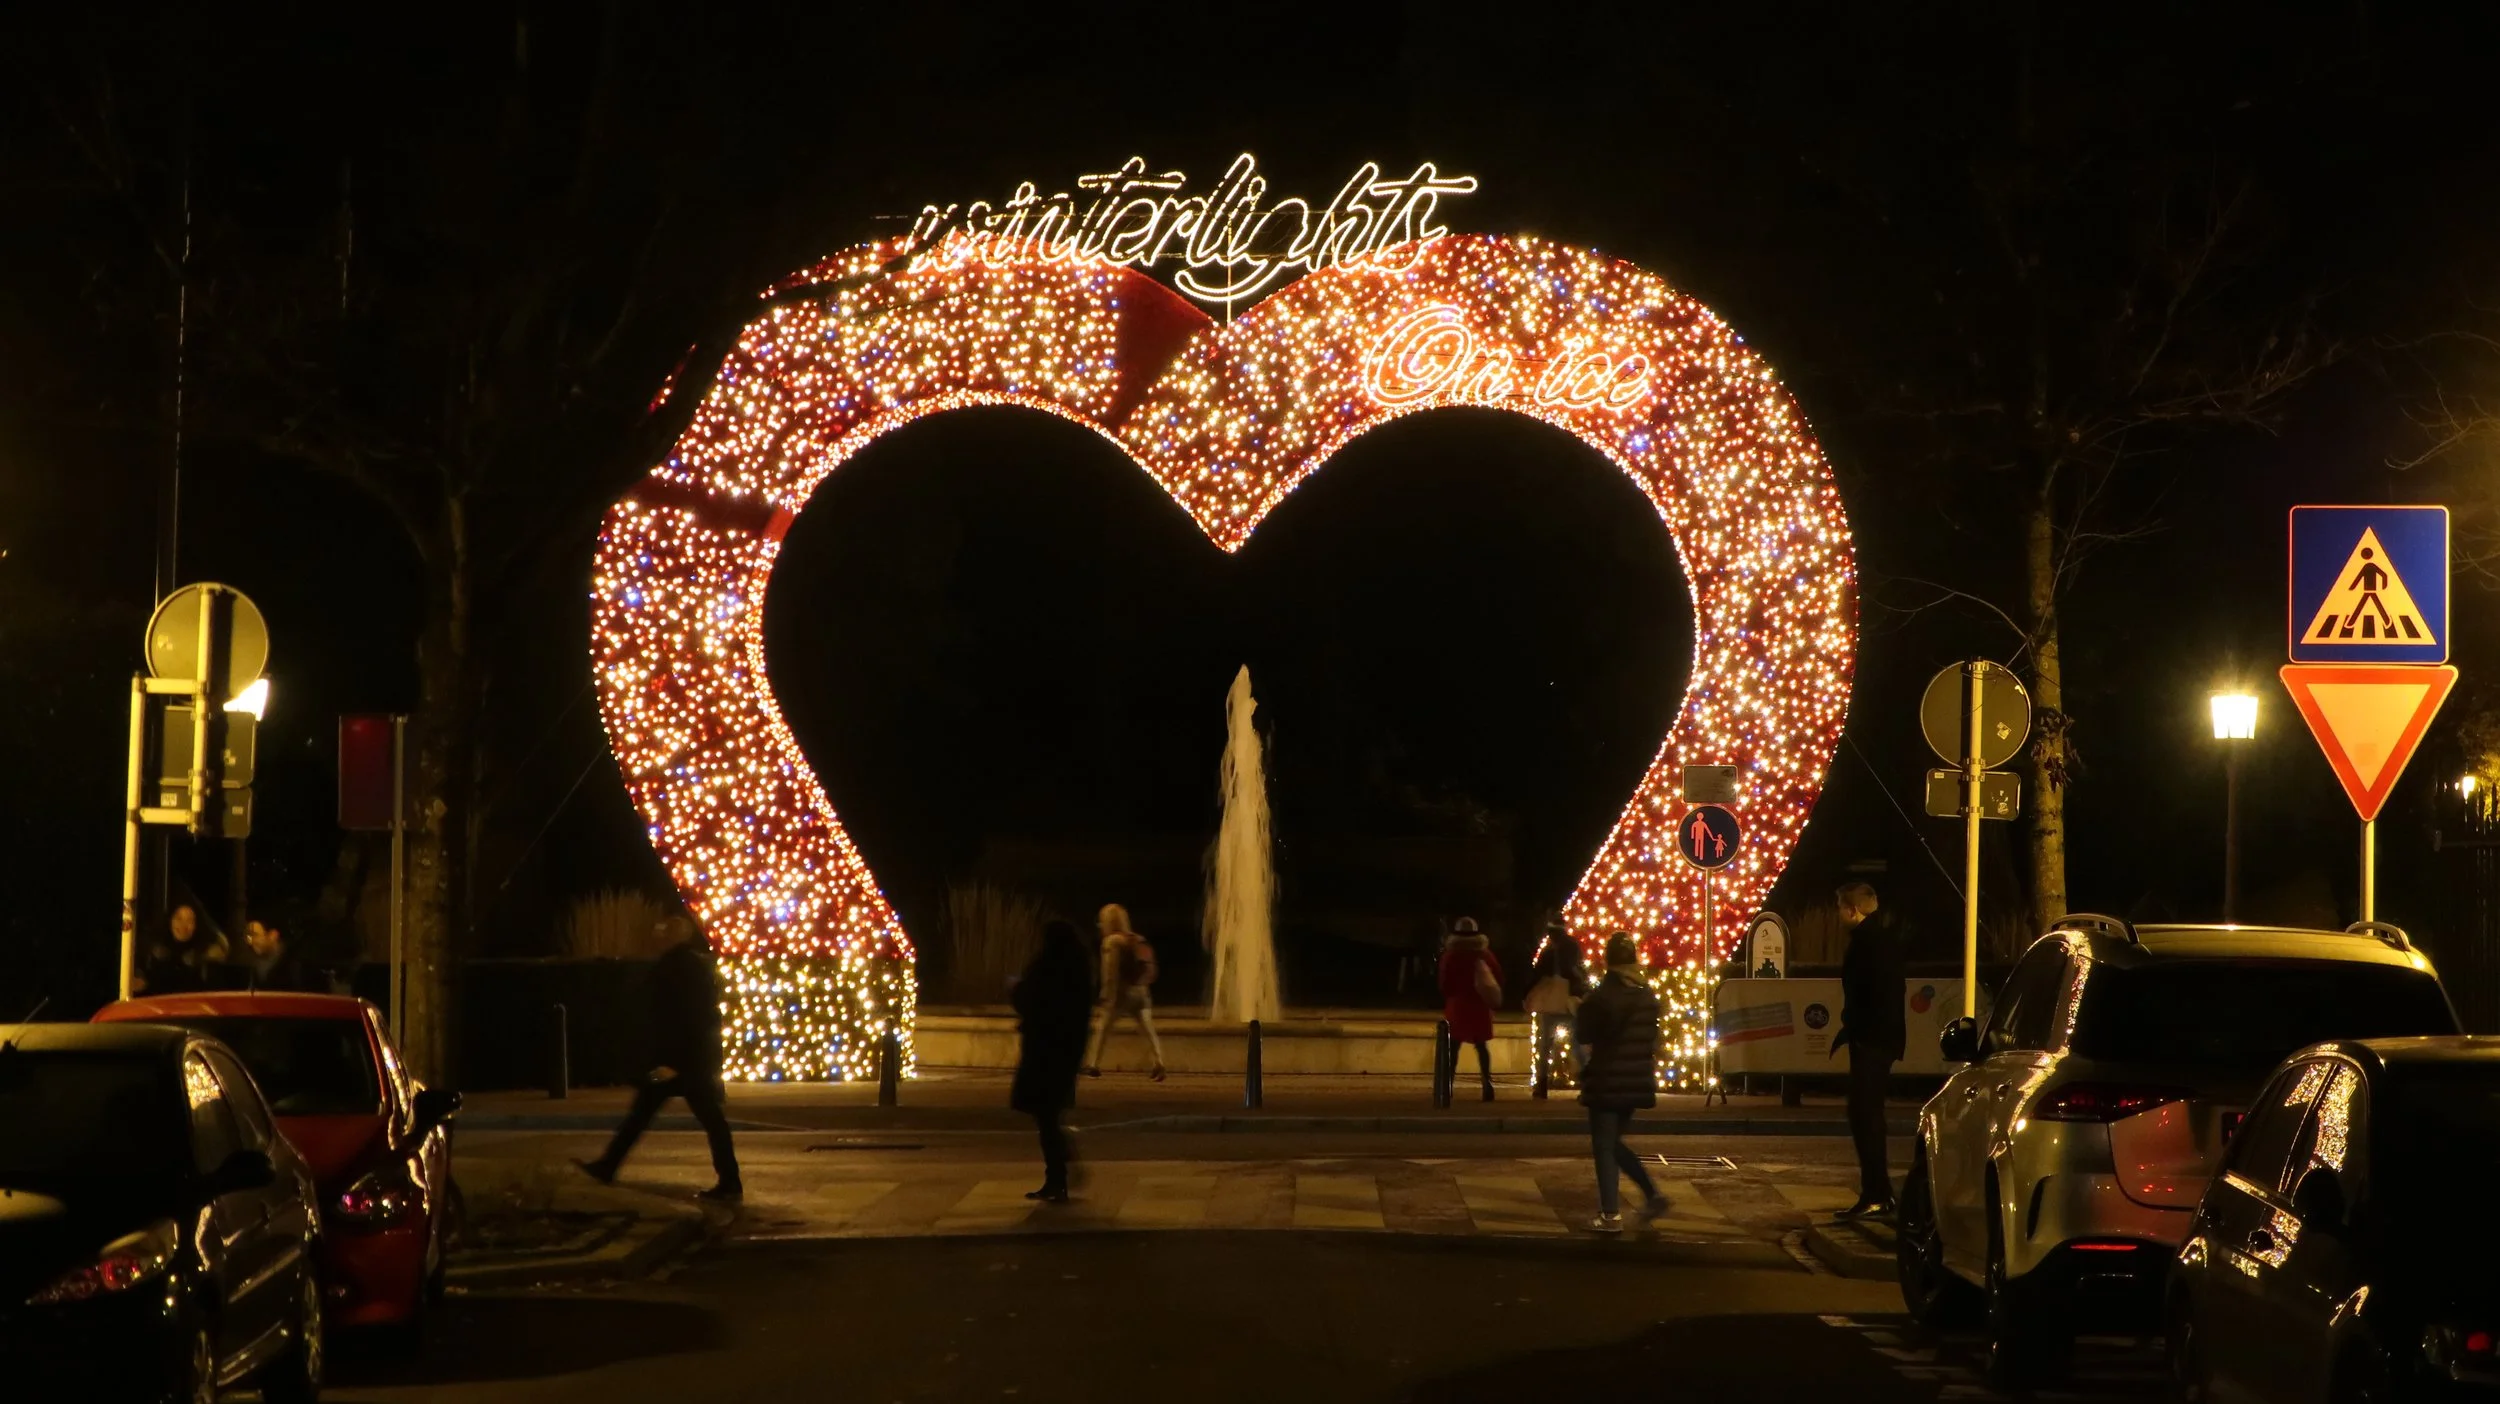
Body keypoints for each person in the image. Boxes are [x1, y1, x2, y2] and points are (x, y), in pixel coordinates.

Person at [579, 929, 743, 1201]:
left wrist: (674, 1062)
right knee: (663, 1113)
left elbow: (685, 1017)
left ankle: (608, 1165)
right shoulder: (686, 964)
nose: (657, 934)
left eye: (664, 930)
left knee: (652, 1112)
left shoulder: (680, 967)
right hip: (686, 1061)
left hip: (680, 1062)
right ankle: (608, 1165)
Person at [1576, 931, 1667, 1233]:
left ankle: (1611, 1215)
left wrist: (1578, 1008)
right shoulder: (1646, 995)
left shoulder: (1603, 996)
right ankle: (1652, 1195)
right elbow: (1652, 1038)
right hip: (1636, 1079)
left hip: (1607, 1079)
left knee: (1604, 1146)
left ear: (1607, 960)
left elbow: (1584, 1035)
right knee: (1613, 1144)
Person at [1833, 880, 1908, 1219]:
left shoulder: (1869, 942)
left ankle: (1877, 1193)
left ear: (1853, 909)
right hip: (1878, 1038)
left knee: (1865, 1115)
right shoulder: (1881, 939)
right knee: (1865, 1114)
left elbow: (1875, 994)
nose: (1838, 914)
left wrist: (1860, 1031)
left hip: (1873, 1040)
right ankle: (1876, 1192)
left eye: (1840, 907)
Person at [1011, 919, 1096, 1202]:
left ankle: (1058, 1173)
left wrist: (1016, 990)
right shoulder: (1079, 969)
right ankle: (1059, 1170)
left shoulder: (1046, 967)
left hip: (1043, 1052)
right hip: (1066, 1053)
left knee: (1045, 1117)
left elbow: (1030, 999)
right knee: (1049, 1115)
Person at [1083, 904, 1166, 1081]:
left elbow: (1110, 972)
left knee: (1103, 1027)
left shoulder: (1111, 942)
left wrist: (1106, 995)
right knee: (1148, 1030)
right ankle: (1159, 1062)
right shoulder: (1136, 938)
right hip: (1141, 992)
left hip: (1121, 993)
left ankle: (1093, 1065)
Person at [1438, 917, 1504, 1102]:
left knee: (1453, 1047)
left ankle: (1447, 1084)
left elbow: (1444, 983)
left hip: (1458, 1004)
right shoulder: (1484, 954)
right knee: (1482, 1046)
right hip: (1479, 1005)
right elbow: (1498, 976)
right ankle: (1487, 1082)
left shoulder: (1450, 955)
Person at [1521, 921, 1590, 1099]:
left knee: (1545, 1045)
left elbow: (1537, 974)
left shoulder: (1549, 952)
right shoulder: (1573, 948)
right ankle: (1588, 1083)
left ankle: (1542, 1084)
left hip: (1550, 1003)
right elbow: (1579, 973)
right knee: (1577, 1044)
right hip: (1570, 1001)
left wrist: (1526, 994)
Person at [134, 903, 228, 995]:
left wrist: (203, 957)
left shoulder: (206, 955)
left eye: (190, 920)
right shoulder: (153, 950)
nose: (183, 925)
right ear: (170, 920)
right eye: (179, 918)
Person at [240, 917, 312, 992]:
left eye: (255, 935)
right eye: (249, 937)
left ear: (273, 935)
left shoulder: (296, 964)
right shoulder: (257, 965)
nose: (251, 942)